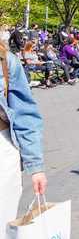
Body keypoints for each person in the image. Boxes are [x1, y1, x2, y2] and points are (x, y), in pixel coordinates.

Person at [1, 40, 48, 235]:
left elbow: (25, 114)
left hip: (2, 152)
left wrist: (36, 166)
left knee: (2, 224)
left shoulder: (6, 60)